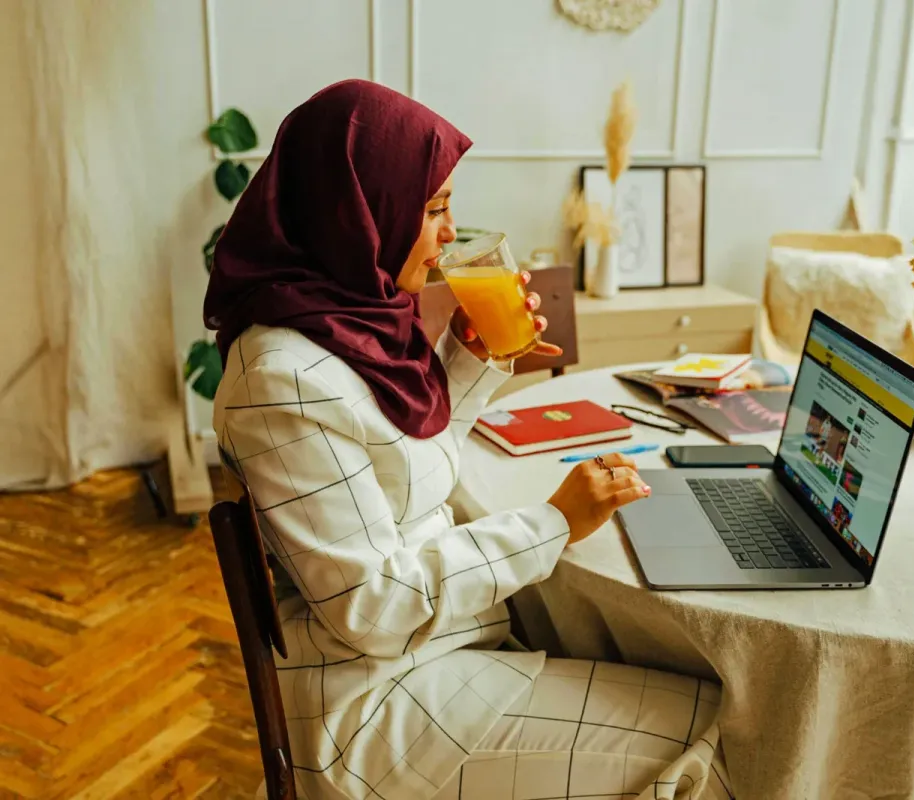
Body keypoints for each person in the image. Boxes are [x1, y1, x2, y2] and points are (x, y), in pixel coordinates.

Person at [204, 80, 731, 800]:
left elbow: (399, 480)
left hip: (440, 655)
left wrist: (468, 360)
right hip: (378, 706)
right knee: (721, 725)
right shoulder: (283, 380)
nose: (450, 233)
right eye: (434, 209)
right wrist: (552, 522)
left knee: (657, 664)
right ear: (358, 209)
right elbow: (373, 608)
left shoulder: (345, 322)